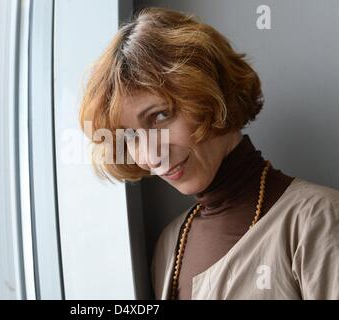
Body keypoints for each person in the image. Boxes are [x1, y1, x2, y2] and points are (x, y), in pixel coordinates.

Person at [78, 7, 339, 299]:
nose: (152, 156)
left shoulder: (319, 220)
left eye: (161, 115)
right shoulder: (168, 247)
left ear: (212, 95)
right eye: (130, 135)